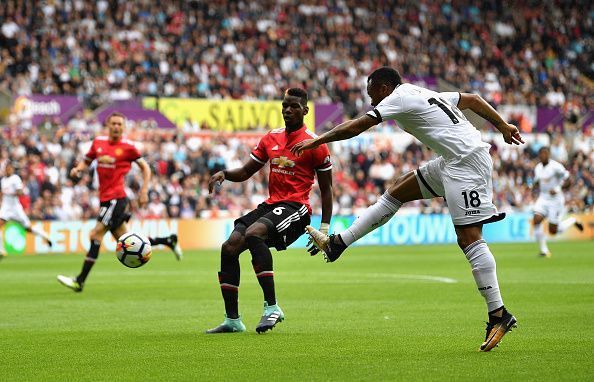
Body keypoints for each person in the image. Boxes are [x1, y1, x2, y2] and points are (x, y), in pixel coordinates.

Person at [292, 67, 522, 351]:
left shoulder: (398, 97)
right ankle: (338, 244)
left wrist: (317, 140)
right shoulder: (421, 92)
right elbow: (472, 99)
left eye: (372, 94)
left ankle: (499, 315)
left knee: (469, 238)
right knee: (396, 191)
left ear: (384, 87)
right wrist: (502, 126)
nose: (372, 101)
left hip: (467, 163)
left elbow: (356, 126)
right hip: (452, 161)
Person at [206, 88, 333, 334]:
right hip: (272, 205)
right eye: (285, 105)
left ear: (305, 110)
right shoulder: (270, 138)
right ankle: (232, 320)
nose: (287, 110)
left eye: (293, 106)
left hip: (297, 208)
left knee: (254, 233)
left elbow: (327, 190)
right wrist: (224, 174)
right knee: (229, 247)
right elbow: (245, 172)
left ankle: (271, 307)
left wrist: (324, 229)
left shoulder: (315, 144)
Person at [57, 112, 182, 292]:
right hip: (105, 198)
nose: (116, 127)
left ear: (123, 128)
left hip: (116, 199)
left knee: (95, 235)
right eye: (113, 123)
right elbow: (87, 160)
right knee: (125, 240)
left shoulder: (128, 148)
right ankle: (168, 240)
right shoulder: (98, 143)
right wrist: (78, 169)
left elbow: (145, 168)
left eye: (119, 124)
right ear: (108, 125)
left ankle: (80, 280)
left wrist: (144, 190)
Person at [532, 146, 583, 257]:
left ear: (549, 155)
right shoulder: (538, 168)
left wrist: (558, 189)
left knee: (553, 231)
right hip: (543, 197)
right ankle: (544, 251)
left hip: (556, 201)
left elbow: (569, 180)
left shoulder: (556, 167)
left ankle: (573, 220)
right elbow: (536, 182)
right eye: (541, 154)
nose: (543, 156)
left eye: (545, 153)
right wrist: (532, 190)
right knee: (536, 220)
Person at [0, 162, 53, 259]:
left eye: (10, 168)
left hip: (15, 208)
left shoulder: (15, 178)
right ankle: (1, 250)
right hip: (6, 207)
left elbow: (20, 192)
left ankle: (45, 235)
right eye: (7, 168)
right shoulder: (3, 180)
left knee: (28, 229)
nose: (8, 170)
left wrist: (9, 192)